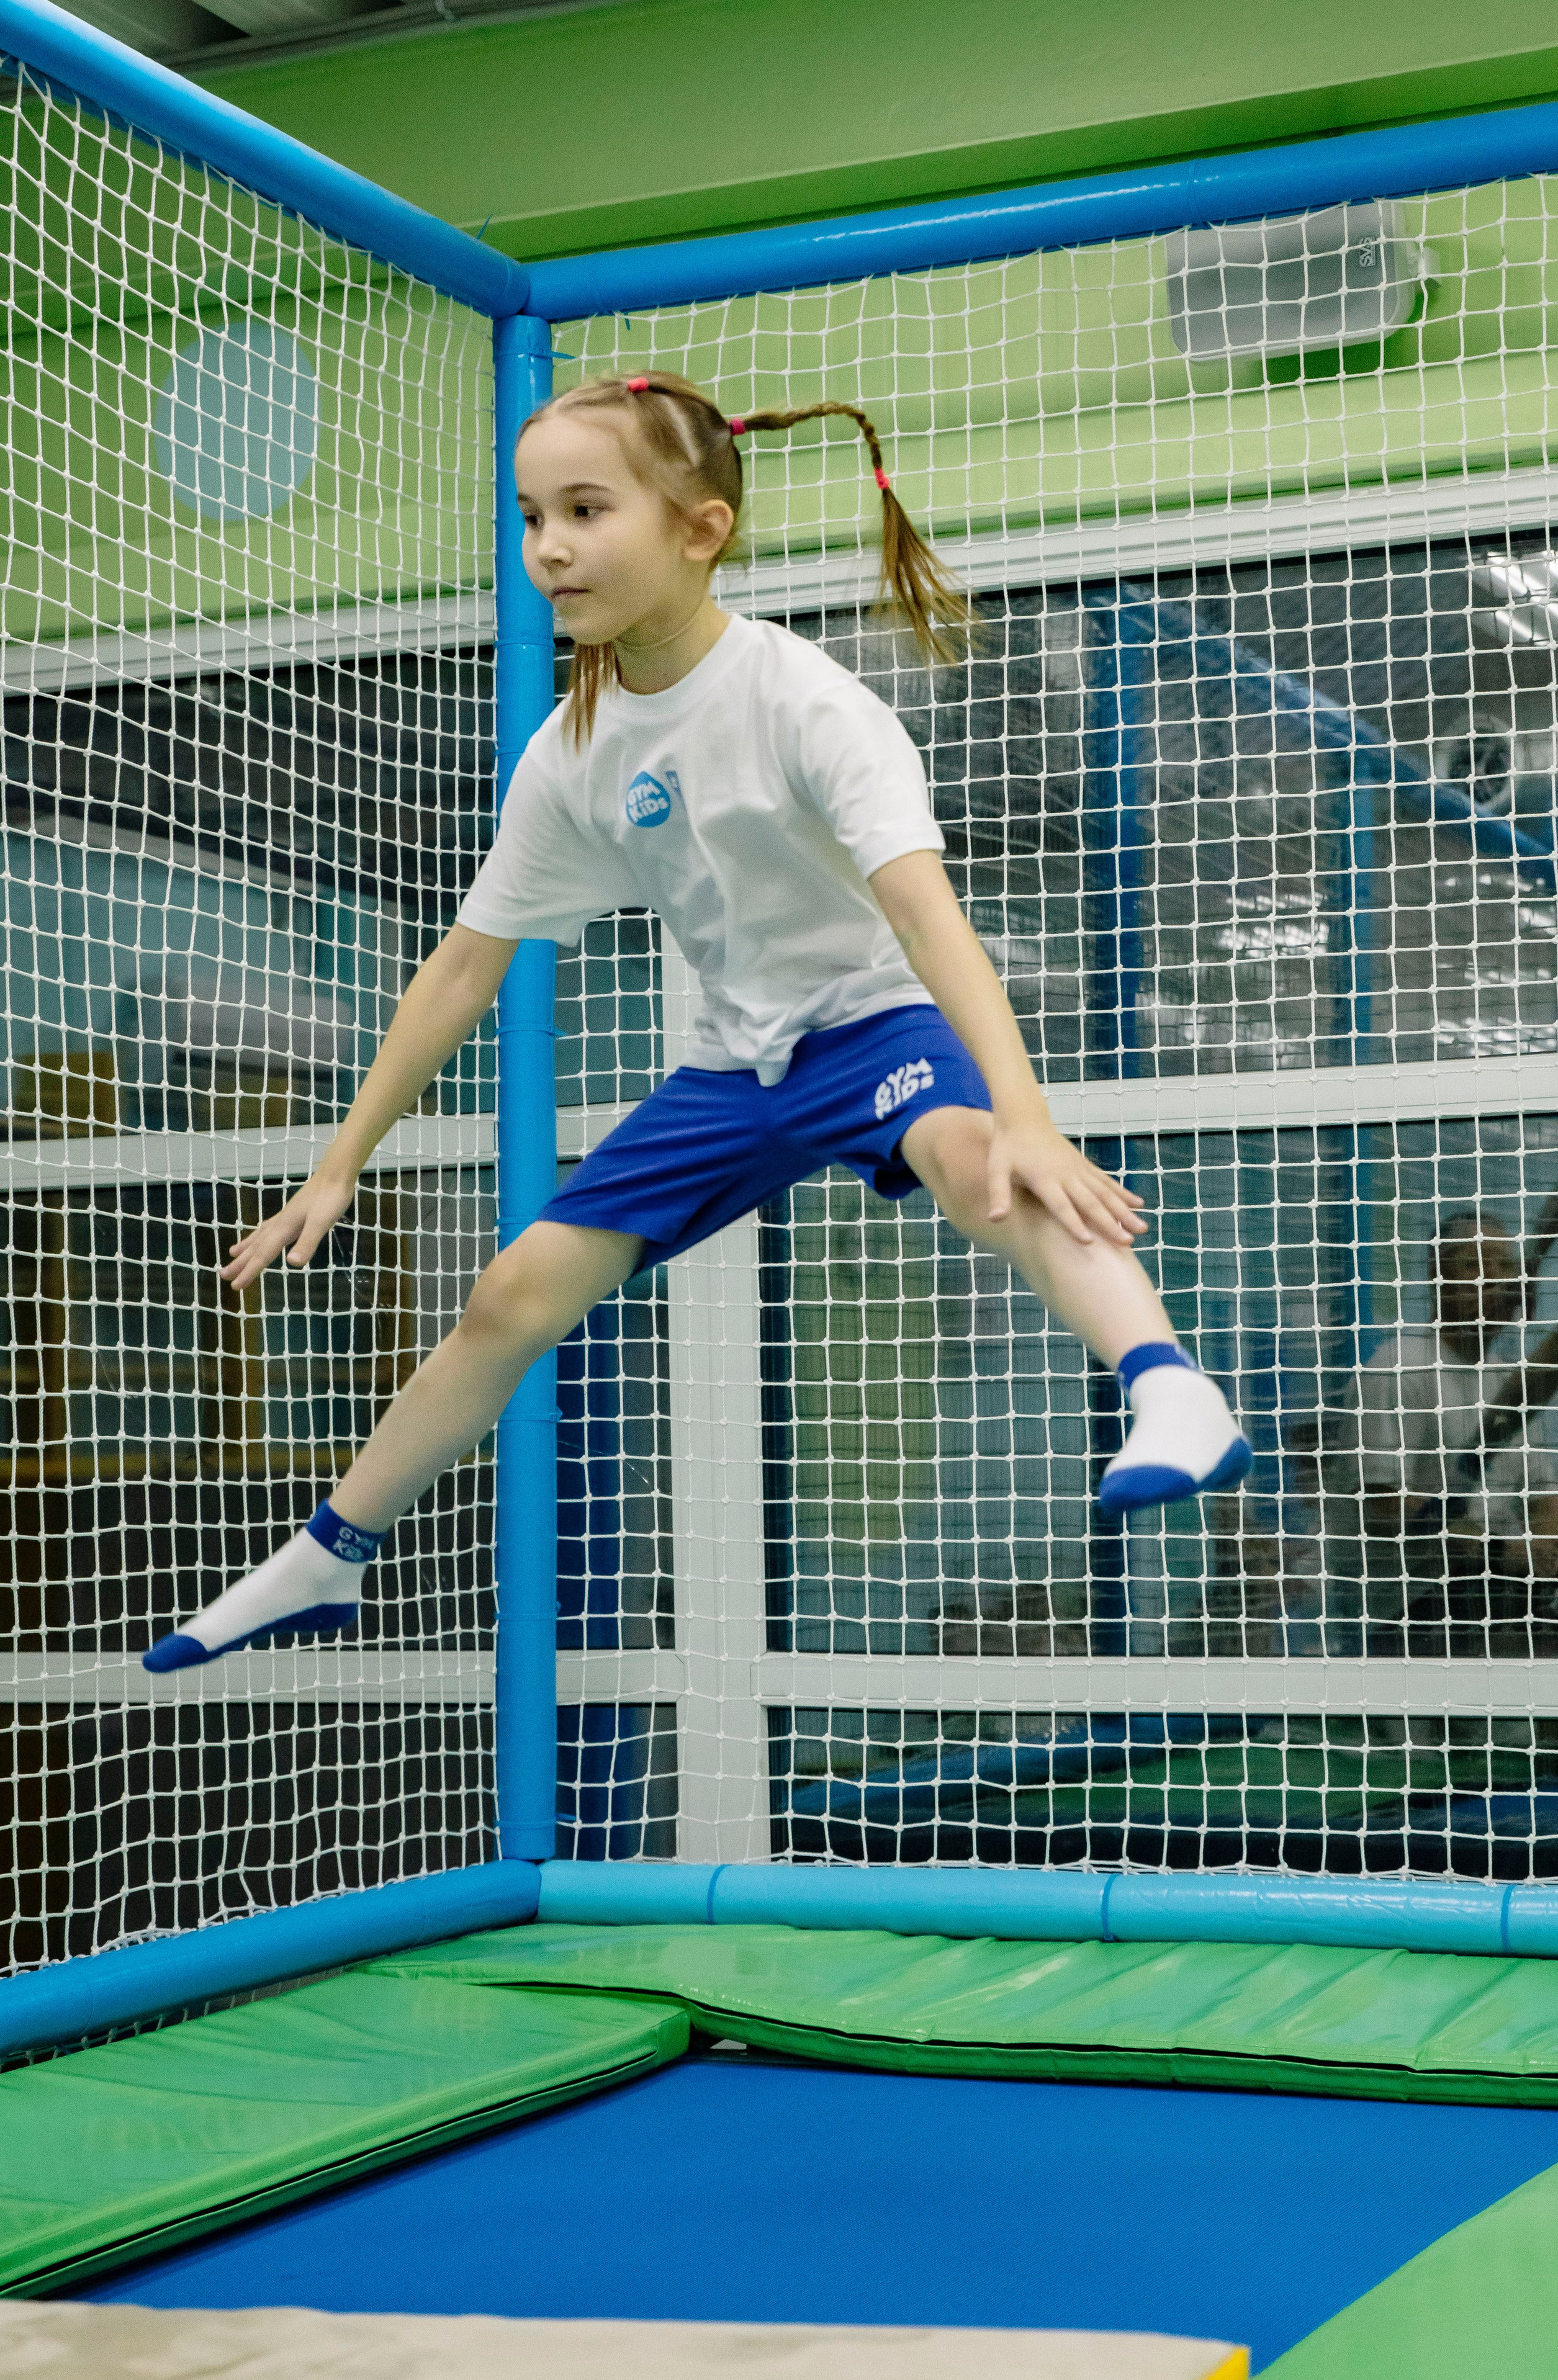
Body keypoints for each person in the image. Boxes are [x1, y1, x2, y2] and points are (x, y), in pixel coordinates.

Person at [142, 372, 1250, 1672]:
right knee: (509, 1295)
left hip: (872, 1026)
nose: (548, 545)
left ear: (699, 527)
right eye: (530, 514)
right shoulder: (572, 750)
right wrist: (337, 1164)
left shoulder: (803, 700)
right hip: (737, 1064)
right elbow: (460, 967)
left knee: (980, 1169)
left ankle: (1168, 1387)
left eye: (586, 508)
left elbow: (928, 919)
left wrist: (1025, 1118)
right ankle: (326, 1558)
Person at [1321, 1174, 1558, 1658]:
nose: (1496, 1280)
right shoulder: (1398, 1368)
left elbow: (1544, 1496)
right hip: (1411, 1602)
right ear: (1436, 1278)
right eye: (1473, 1266)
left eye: (1506, 1267)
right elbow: (1381, 1504)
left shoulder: (1509, 1379)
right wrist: (1498, 1552)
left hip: (1490, 1583)